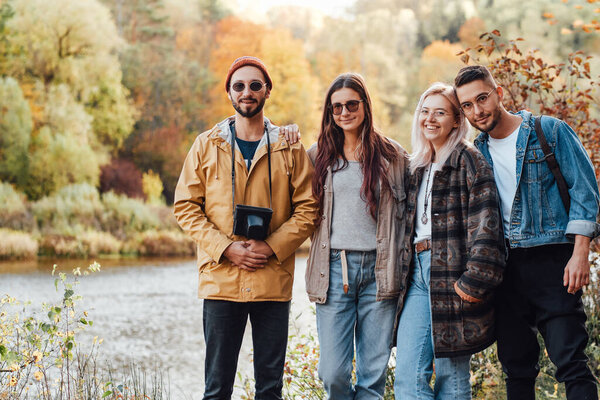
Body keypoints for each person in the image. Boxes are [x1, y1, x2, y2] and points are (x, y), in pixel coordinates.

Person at [173, 56, 317, 400]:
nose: (247, 92)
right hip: (221, 281)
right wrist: (225, 248)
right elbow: (185, 207)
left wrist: (272, 246)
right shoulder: (205, 145)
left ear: (267, 91)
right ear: (229, 93)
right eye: (239, 86)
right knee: (216, 388)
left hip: (272, 280)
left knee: (270, 389)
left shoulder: (290, 146)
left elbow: (309, 208)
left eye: (255, 85)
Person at [454, 65, 600, 400]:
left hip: (553, 261)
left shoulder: (549, 131)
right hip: (503, 270)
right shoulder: (477, 152)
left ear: (499, 93)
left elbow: (585, 192)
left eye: (482, 98)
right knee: (516, 369)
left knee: (571, 362)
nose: (477, 111)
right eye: (467, 106)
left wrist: (580, 253)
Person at [393, 82, 505, 400]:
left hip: (455, 275)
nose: (430, 119)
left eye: (440, 112)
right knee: (408, 380)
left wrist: (471, 283)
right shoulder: (416, 166)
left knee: (451, 379)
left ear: (456, 120)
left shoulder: (470, 160)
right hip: (416, 275)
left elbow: (487, 226)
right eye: (425, 112)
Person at [304, 72, 408, 399]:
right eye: (337, 108)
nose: (344, 112)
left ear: (365, 105)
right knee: (333, 373)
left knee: (372, 377)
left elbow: (413, 213)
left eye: (351, 104)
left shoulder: (393, 156)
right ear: (329, 112)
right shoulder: (316, 156)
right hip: (334, 271)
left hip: (380, 272)